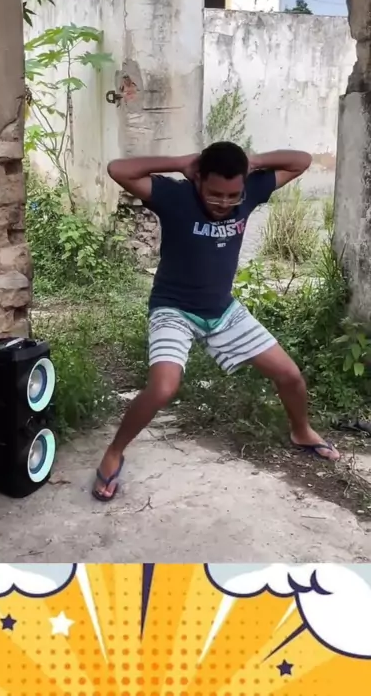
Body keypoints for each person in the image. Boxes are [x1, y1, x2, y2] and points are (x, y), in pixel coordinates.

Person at [92, 142, 340, 502]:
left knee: (290, 375)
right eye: (215, 194)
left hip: (223, 311)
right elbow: (118, 169)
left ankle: (301, 431)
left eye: (232, 195)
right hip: (174, 310)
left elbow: (300, 161)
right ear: (198, 180)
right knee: (163, 388)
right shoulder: (175, 196)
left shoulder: (250, 190)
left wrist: (252, 161)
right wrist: (180, 162)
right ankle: (115, 451)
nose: (224, 203)